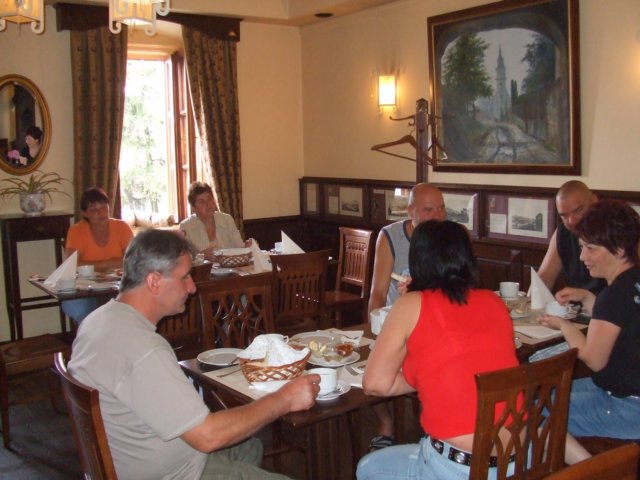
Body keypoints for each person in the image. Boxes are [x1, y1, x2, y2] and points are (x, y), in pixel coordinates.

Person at [68, 229, 320, 479]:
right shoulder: (144, 350)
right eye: (185, 277)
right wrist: (285, 398)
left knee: (250, 446)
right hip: (179, 473)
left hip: (140, 452)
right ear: (154, 281)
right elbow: (208, 436)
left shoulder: (97, 321)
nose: (192, 287)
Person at [357, 220, 590, 479]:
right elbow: (458, 361)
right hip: (519, 459)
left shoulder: (411, 304)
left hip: (460, 467)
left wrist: (408, 316)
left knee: (367, 467)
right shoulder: (493, 302)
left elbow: (375, 384)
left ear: (418, 261)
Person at [538, 199, 640, 440]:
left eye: (591, 248)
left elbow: (593, 359)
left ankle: (584, 462)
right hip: (625, 393)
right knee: (546, 394)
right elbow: (619, 321)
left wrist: (563, 325)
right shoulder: (632, 281)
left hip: (627, 408)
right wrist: (586, 297)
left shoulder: (613, 296)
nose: (583, 256)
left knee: (538, 411)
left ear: (619, 250)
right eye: (582, 247)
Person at [366, 183, 446, 450]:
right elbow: (378, 293)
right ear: (410, 210)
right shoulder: (390, 237)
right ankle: (386, 422)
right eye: (428, 210)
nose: (437, 216)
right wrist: (375, 329)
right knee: (371, 365)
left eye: (441, 209)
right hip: (396, 326)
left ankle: (432, 431)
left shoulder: (448, 238)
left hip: (435, 327)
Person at [62, 187, 134, 324]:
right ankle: (92, 336)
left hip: (118, 288)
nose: (101, 212)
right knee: (78, 308)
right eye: (94, 209)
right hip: (85, 290)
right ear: (85, 213)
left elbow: (132, 260)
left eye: (104, 207)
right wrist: (109, 263)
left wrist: (91, 266)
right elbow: (71, 265)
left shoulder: (121, 227)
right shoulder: (77, 231)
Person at [537, 181, 605, 294]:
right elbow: (544, 279)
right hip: (575, 303)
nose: (572, 221)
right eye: (564, 216)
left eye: (578, 210)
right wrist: (531, 302)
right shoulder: (563, 233)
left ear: (594, 201)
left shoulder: (613, 232)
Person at [180, 181, 249, 260]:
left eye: (209, 198)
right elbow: (184, 260)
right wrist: (202, 256)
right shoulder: (186, 227)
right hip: (204, 268)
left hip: (230, 266)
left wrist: (247, 248)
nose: (208, 204)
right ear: (193, 208)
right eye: (201, 201)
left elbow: (240, 248)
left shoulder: (227, 219)